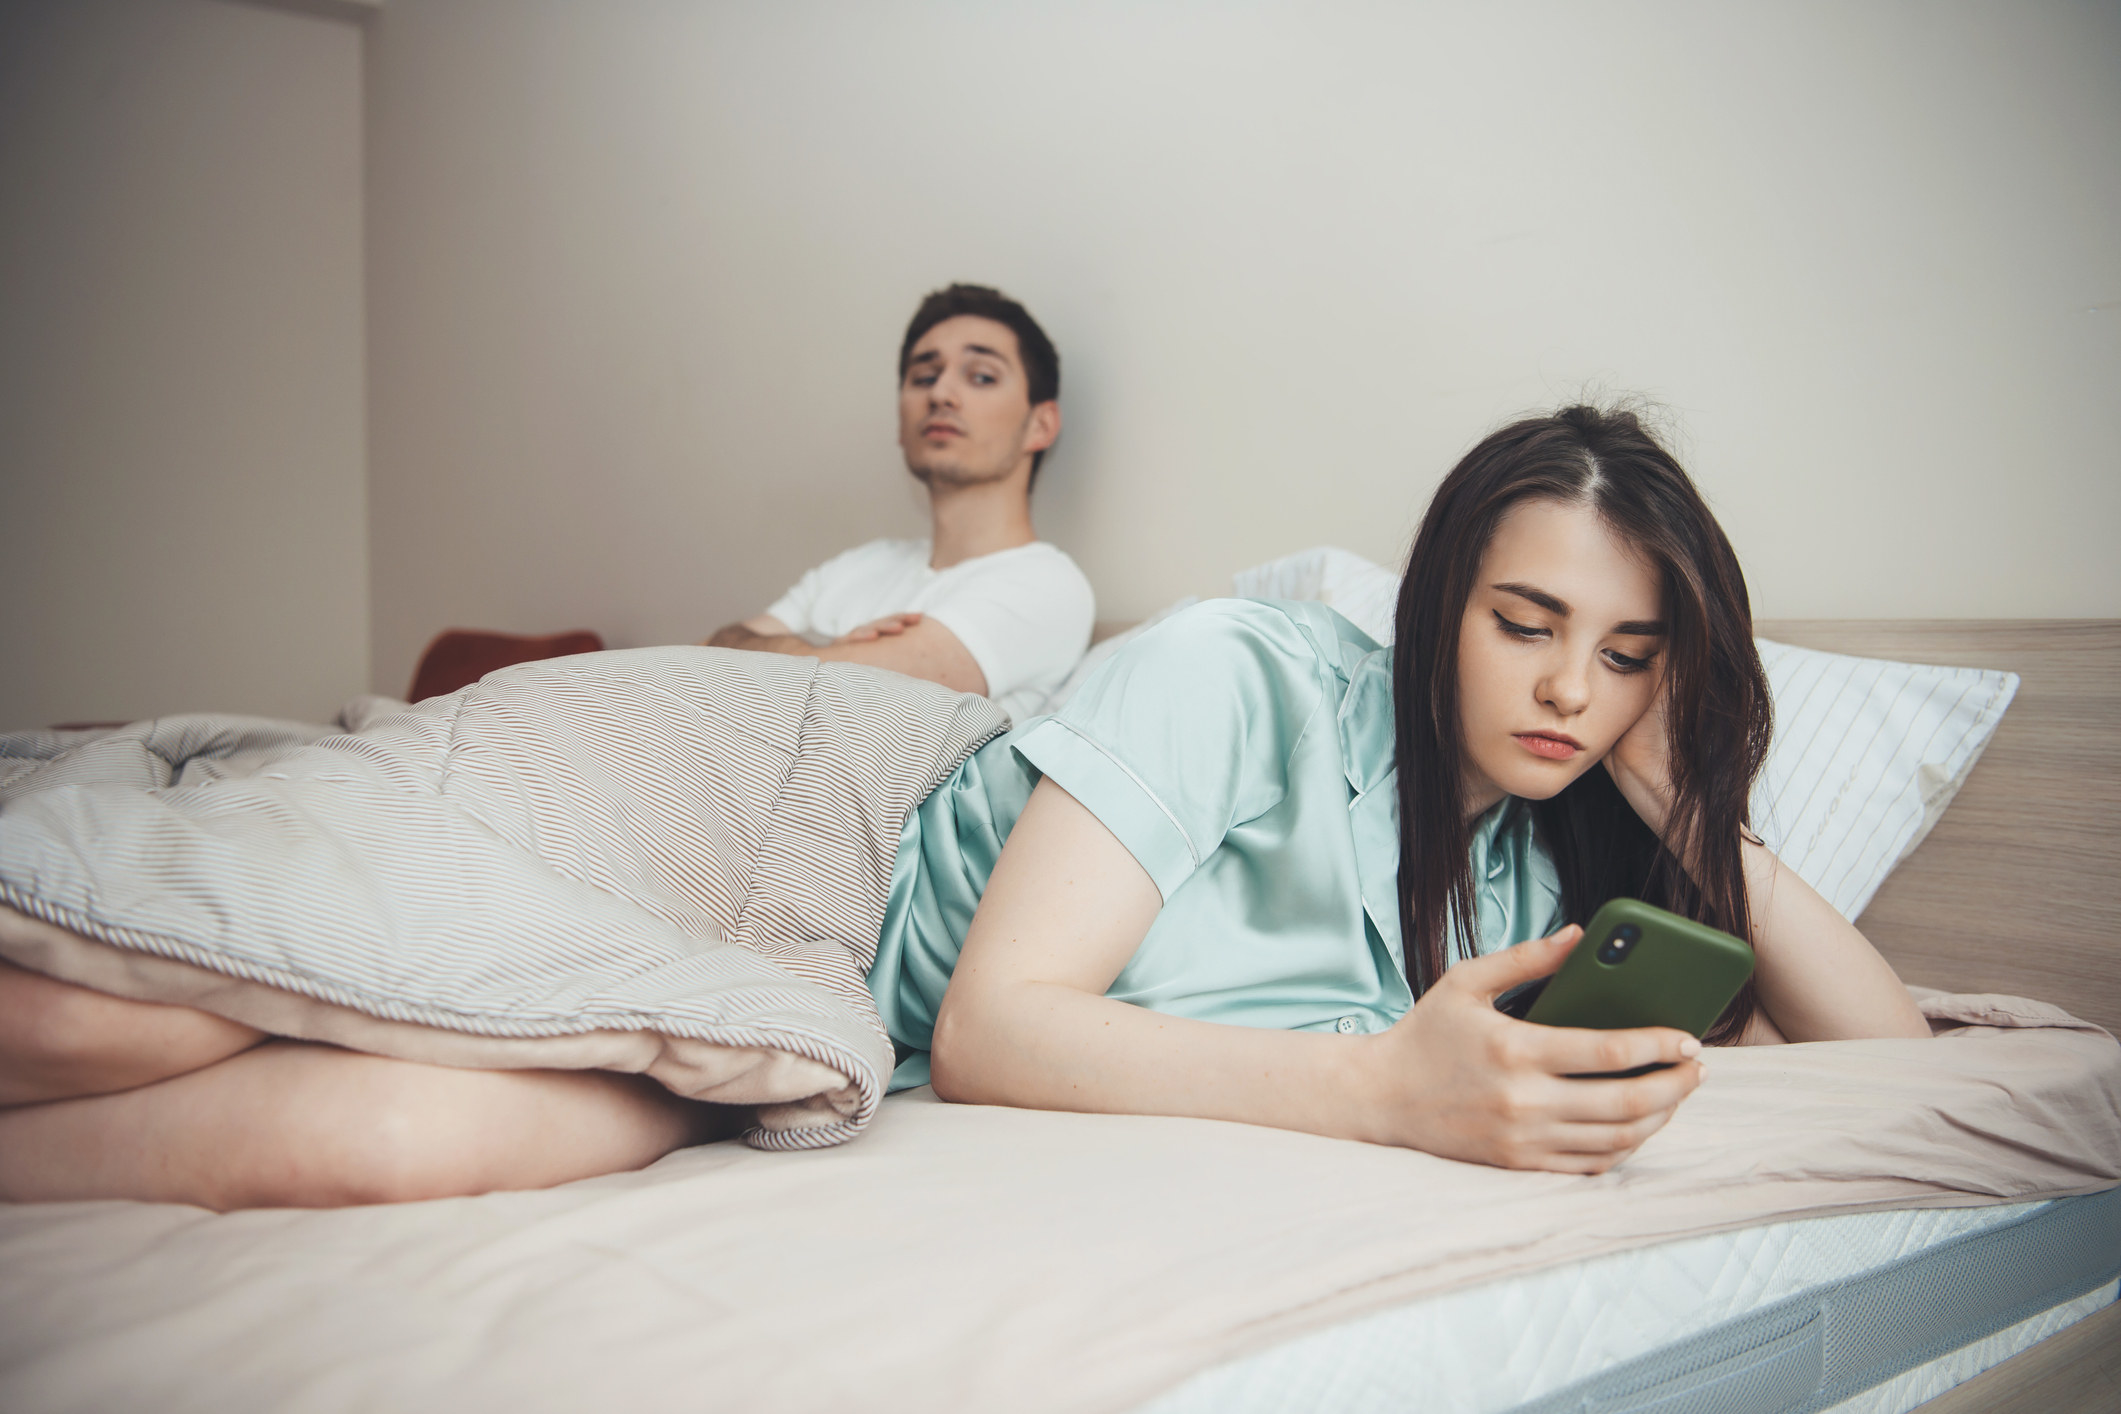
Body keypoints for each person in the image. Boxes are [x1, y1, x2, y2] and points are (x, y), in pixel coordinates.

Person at [0, 405, 1930, 1208]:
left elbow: (1904, 1059)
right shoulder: (1237, 674)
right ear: (1438, 604)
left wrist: (1690, 780)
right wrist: (1379, 1093)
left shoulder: (1548, 850)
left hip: (811, 999)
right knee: (116, 983)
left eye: (1625, 651)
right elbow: (1001, 1025)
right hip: (758, 796)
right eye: (1526, 625)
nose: (1567, 688)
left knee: (416, 1128)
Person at [704, 283, 1095, 723]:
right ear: (900, 423)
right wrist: (826, 655)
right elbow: (704, 657)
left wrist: (814, 652)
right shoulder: (861, 563)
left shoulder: (1046, 583)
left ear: (1040, 425)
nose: (941, 394)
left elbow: (850, 695)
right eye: (924, 378)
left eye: (981, 376)